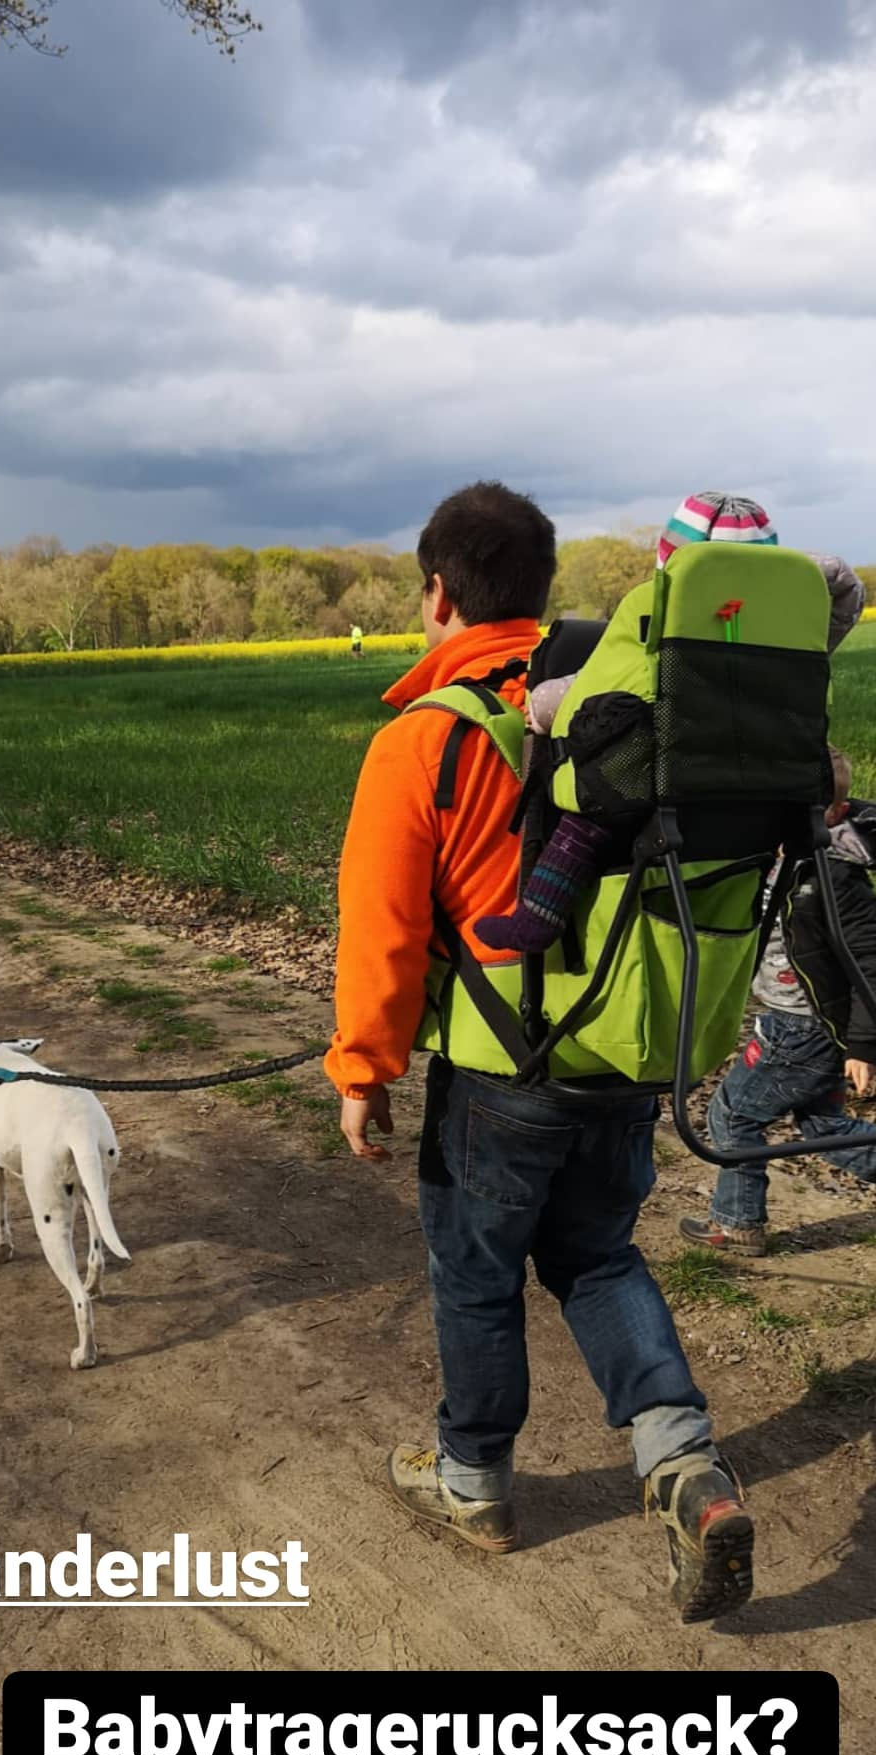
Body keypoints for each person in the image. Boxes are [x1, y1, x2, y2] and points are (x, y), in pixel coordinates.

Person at [325, 480, 753, 1624]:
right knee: (599, 1255)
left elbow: (383, 930)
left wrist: (362, 1071)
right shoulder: (632, 701)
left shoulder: (426, 739)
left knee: (475, 1272)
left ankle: (473, 1483)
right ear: (546, 590)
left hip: (502, 1073)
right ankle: (685, 1463)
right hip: (625, 1047)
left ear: (435, 594)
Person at [475, 494, 865, 955]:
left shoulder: (658, 623)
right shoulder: (794, 635)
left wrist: (540, 704)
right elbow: (840, 605)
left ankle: (537, 919)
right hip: (771, 791)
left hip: (674, 786)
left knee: (592, 812)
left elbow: (600, 687)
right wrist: (795, 580)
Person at [680, 747, 876, 1256]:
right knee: (825, 1127)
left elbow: (870, 963)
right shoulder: (780, 852)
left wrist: (863, 1044)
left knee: (733, 1116)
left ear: (835, 813)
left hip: (803, 1027)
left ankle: (738, 1222)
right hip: (801, 1020)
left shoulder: (836, 877)